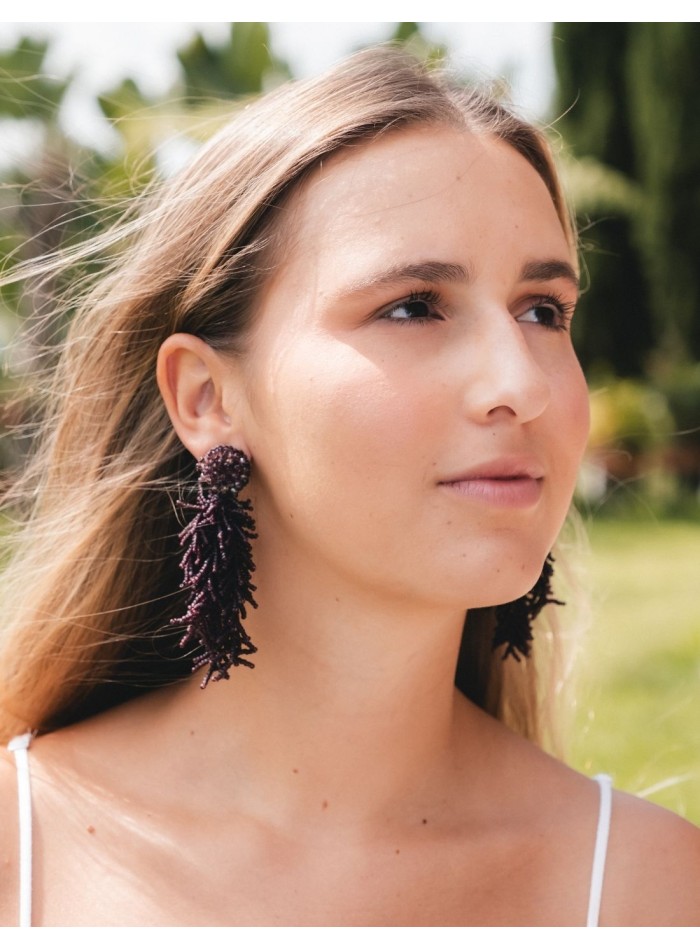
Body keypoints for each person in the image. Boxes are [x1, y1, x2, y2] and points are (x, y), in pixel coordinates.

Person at [0, 47, 698, 928]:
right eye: (413, 306)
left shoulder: (650, 888)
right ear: (208, 397)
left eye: (542, 311)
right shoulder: (19, 849)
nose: (520, 382)